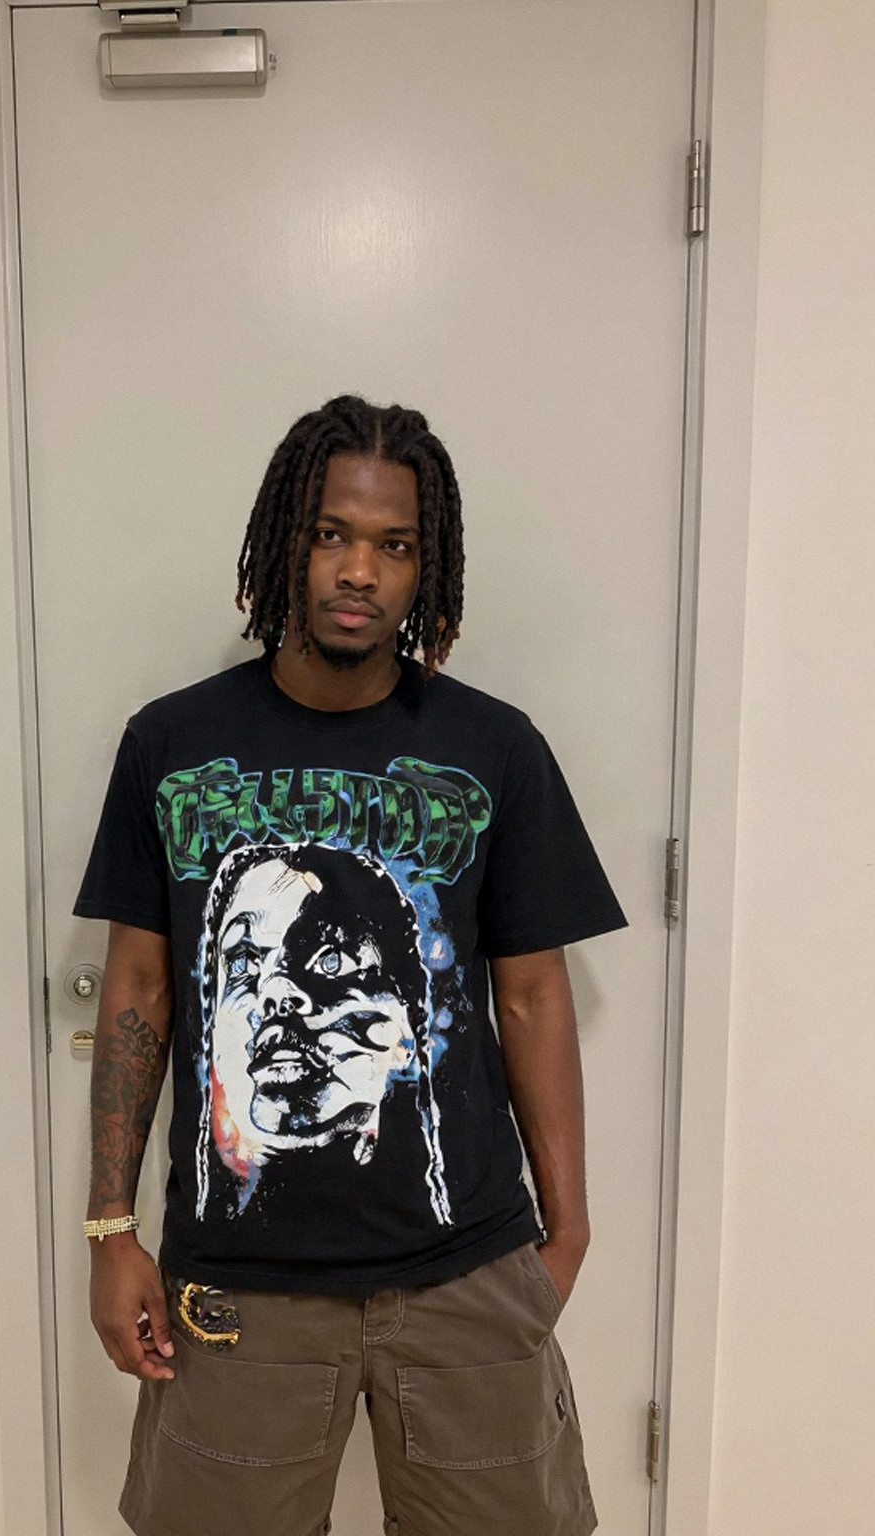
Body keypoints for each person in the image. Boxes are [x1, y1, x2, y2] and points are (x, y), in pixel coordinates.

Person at [74, 395, 626, 1536]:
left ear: (429, 568)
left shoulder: (494, 749)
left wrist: (566, 1230)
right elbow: (141, 987)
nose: (359, 570)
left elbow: (531, 994)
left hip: (466, 1271)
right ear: (285, 540)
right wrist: (110, 1228)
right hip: (240, 1282)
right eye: (331, 533)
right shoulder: (171, 745)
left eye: (395, 544)